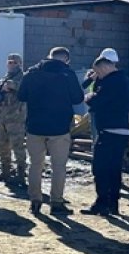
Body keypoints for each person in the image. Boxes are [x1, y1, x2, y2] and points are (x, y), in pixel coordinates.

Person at [17, 47, 85, 215]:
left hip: (35, 126)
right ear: (66, 60)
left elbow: (21, 96)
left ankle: (35, 200)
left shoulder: (31, 73)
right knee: (59, 166)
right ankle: (56, 201)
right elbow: (78, 98)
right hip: (59, 127)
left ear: (49, 56)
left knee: (35, 164)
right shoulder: (67, 74)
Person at [81, 49, 129, 217]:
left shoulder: (111, 82)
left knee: (101, 167)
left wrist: (89, 96)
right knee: (114, 168)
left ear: (103, 68)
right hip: (122, 129)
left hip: (109, 129)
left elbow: (96, 101)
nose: (97, 76)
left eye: (98, 72)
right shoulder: (125, 80)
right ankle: (113, 204)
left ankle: (102, 202)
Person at [0, 53, 27, 188]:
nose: (11, 65)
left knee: (18, 147)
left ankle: (21, 175)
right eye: (10, 62)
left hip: (16, 119)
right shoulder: (3, 79)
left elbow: (23, 90)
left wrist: (13, 86)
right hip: (1, 118)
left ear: (20, 64)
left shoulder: (23, 78)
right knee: (1, 146)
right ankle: (5, 172)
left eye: (15, 63)